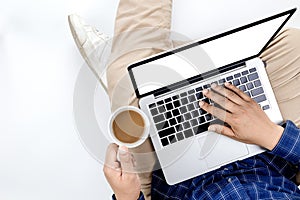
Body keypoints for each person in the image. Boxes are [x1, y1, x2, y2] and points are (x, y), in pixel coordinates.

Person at [68, 0, 300, 199]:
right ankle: (139, 60)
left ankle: (123, 61)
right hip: (268, 155)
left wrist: (126, 196)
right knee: (293, 45)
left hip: (176, 179)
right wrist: (272, 135)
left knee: (130, 85)